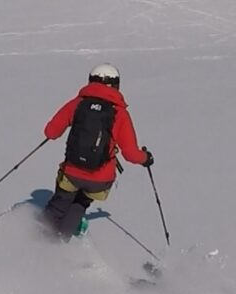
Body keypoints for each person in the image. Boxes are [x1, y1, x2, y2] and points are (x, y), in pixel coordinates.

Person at [43, 63, 153, 238]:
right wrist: (146, 158)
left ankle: (36, 240)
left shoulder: (77, 104)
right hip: (100, 179)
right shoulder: (120, 113)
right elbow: (131, 154)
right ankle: (59, 244)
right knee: (80, 204)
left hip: (72, 172)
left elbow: (51, 132)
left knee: (59, 204)